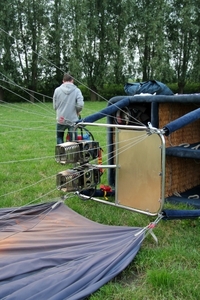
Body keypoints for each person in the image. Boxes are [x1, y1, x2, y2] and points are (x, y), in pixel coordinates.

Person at [53, 73, 84, 144]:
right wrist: (77, 111)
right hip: (73, 120)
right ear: (72, 80)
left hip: (61, 119)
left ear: (63, 81)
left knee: (59, 137)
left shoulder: (57, 90)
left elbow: (54, 106)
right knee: (73, 141)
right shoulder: (77, 90)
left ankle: (61, 154)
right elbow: (80, 104)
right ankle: (72, 154)